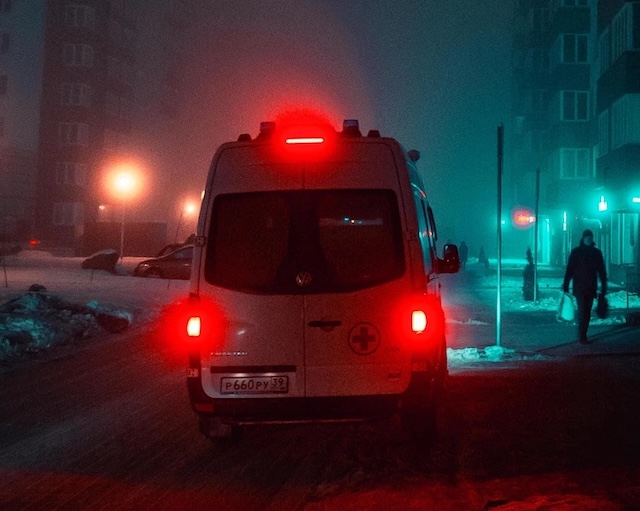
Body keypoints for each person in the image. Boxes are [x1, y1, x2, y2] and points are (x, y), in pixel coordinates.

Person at [562, 229, 607, 344]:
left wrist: (603, 286)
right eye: (587, 237)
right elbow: (570, 269)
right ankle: (582, 335)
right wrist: (566, 284)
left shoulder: (593, 253)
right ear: (584, 238)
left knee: (587, 311)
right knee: (583, 310)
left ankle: (583, 334)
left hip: (589, 286)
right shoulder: (581, 252)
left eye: (590, 237)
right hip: (581, 287)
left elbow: (601, 271)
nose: (589, 239)